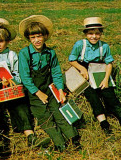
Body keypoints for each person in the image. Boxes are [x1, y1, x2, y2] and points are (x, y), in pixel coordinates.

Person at [0, 18, 50, 148]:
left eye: (1, 41)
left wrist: (12, 80)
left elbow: (18, 73)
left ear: (8, 41)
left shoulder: (12, 55)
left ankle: (30, 135)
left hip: (11, 85)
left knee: (20, 105)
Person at [18, 15, 81, 152]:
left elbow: (56, 73)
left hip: (49, 89)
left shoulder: (50, 53)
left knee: (59, 112)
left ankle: (73, 138)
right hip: (34, 92)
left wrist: (59, 90)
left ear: (45, 36)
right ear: (29, 38)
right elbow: (25, 77)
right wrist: (38, 93)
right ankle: (60, 143)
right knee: (45, 117)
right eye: (33, 37)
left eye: (39, 36)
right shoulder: (24, 53)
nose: (37, 40)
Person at [68, 17, 121, 134]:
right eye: (90, 33)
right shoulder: (80, 44)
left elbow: (109, 63)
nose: (94, 36)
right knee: (92, 96)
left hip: (99, 71)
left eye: (97, 33)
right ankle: (104, 123)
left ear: (101, 33)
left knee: (109, 94)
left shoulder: (104, 46)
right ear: (85, 34)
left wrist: (106, 79)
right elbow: (72, 60)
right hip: (84, 72)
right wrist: (82, 69)